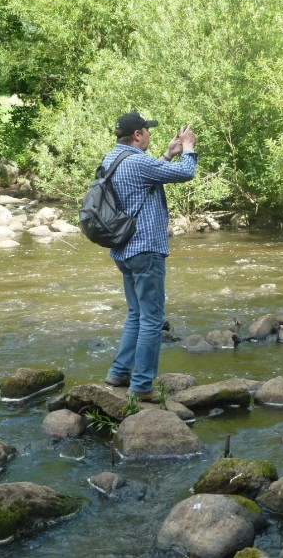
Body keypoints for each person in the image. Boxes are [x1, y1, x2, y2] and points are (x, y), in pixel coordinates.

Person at [103, 112, 198, 401]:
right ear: (137, 135)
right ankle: (142, 385)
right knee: (152, 319)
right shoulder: (138, 162)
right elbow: (186, 173)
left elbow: (146, 178)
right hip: (145, 249)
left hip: (123, 250)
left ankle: (118, 373)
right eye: (147, 130)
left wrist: (168, 155)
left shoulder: (112, 159)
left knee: (136, 314)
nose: (150, 134)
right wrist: (189, 147)